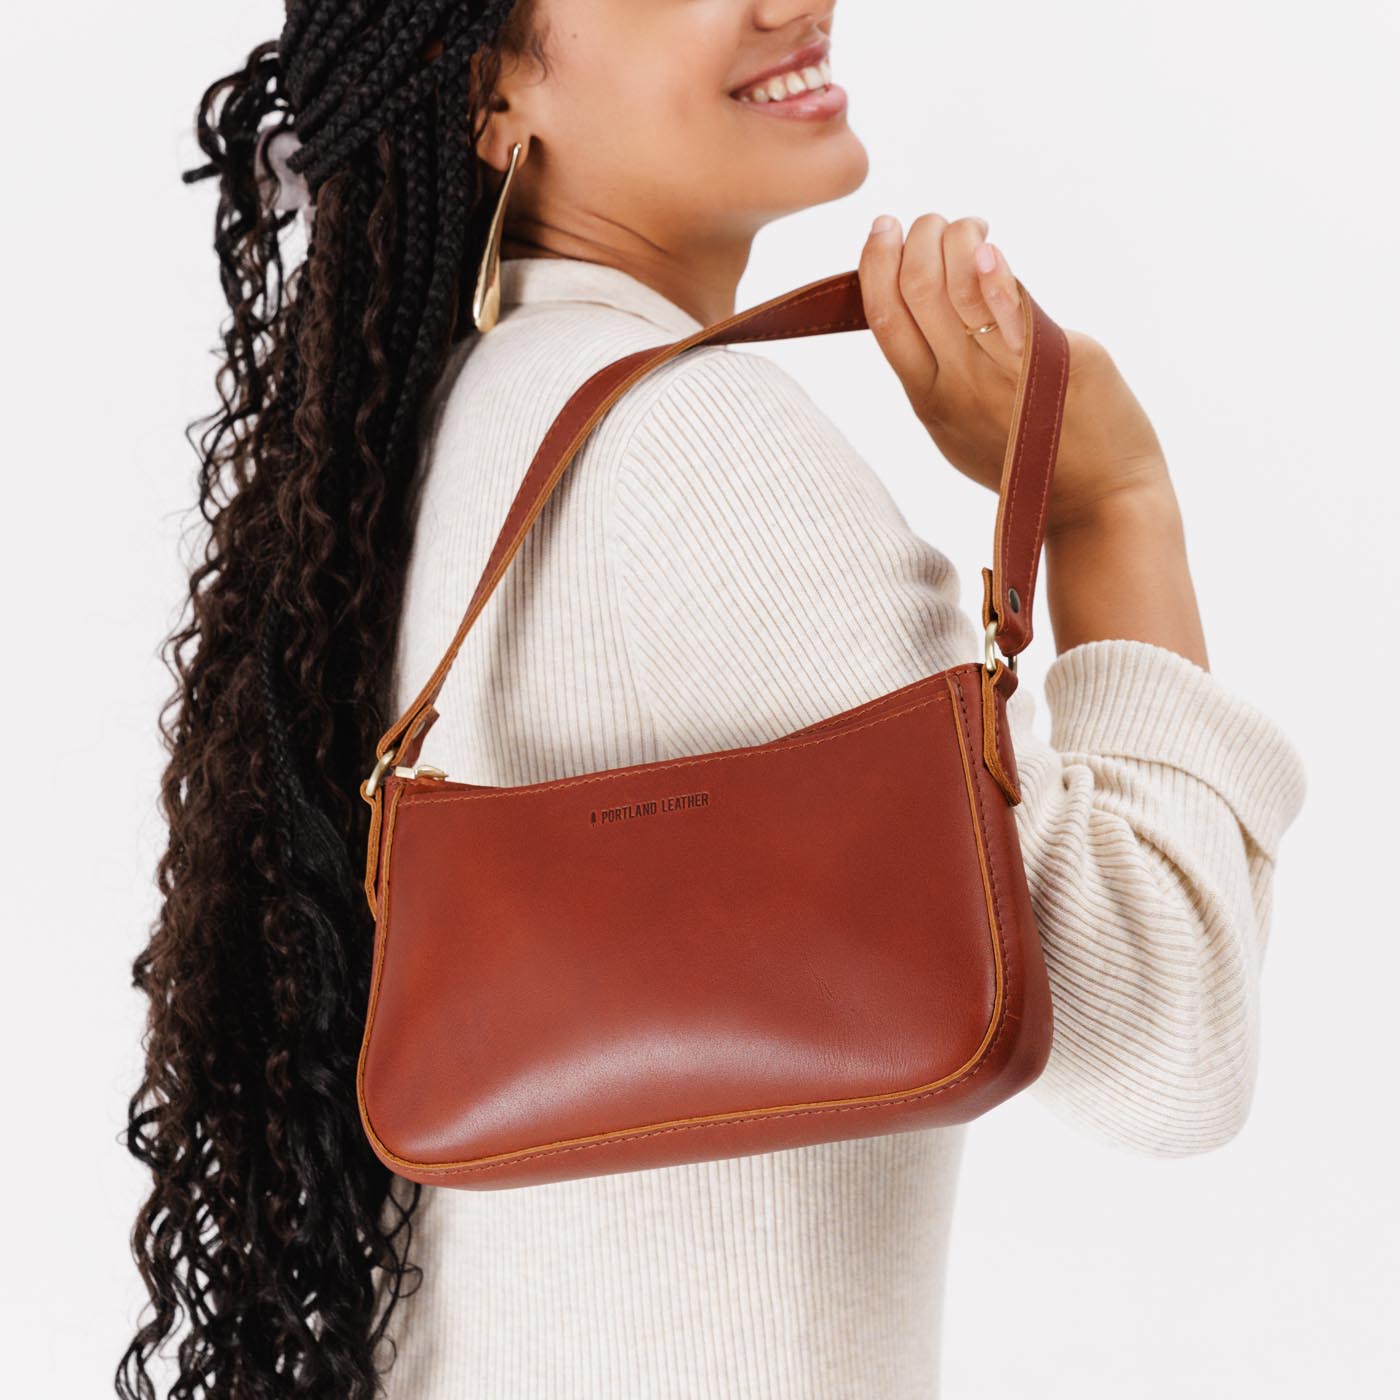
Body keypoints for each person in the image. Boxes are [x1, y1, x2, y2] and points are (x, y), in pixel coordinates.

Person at [120, 2, 1307, 1397]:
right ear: (489, 94)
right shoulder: (684, 439)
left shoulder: (452, 421)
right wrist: (1111, 505)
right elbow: (1168, 1038)